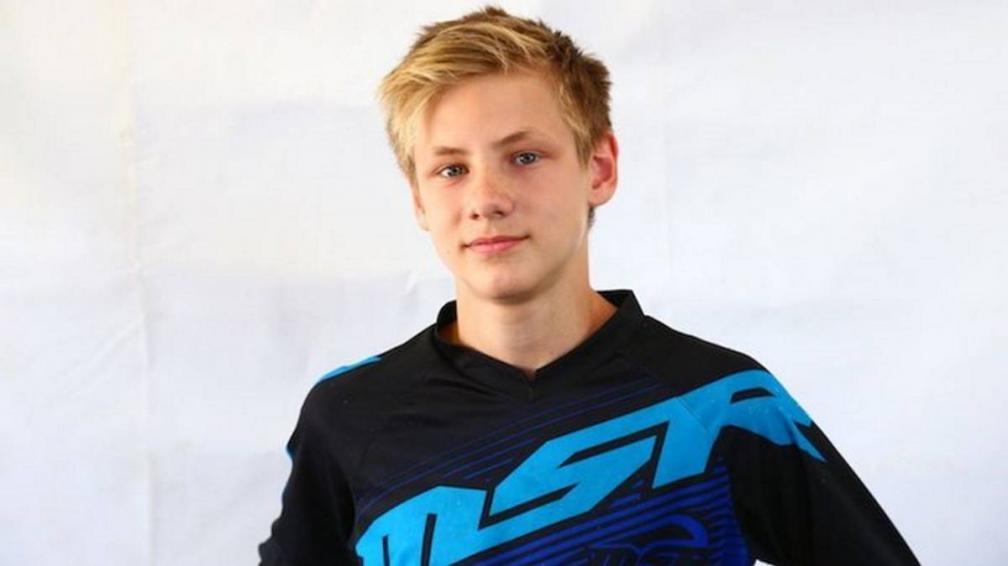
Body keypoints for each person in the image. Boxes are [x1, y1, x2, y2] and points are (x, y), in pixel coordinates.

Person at [259, 7, 919, 565]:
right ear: (418, 199)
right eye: (452, 169)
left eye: (524, 157)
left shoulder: (722, 403)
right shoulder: (352, 416)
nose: (486, 199)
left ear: (598, 167)